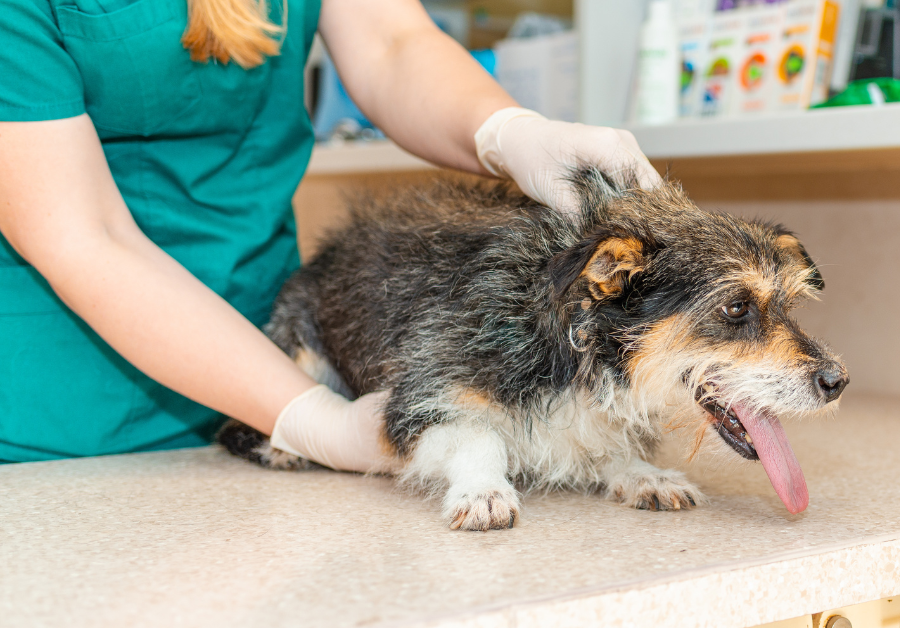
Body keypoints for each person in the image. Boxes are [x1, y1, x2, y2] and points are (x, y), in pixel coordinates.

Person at [0, 0, 661, 467]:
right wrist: (315, 423)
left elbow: (391, 42)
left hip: (272, 357)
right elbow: (85, 236)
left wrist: (512, 133)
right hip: (66, 423)